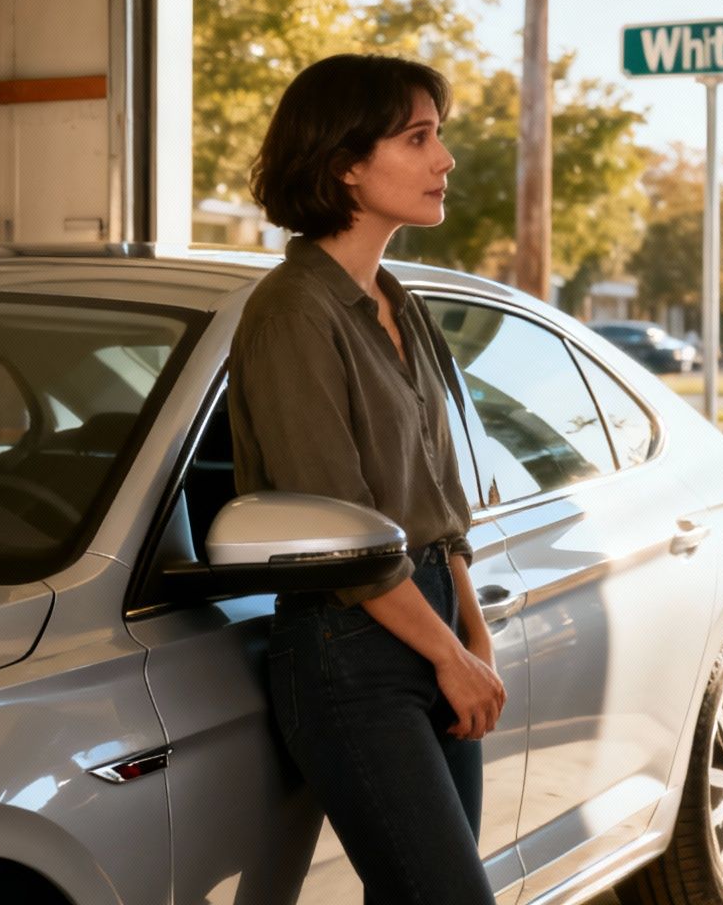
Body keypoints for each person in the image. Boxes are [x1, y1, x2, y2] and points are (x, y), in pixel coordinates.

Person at [228, 53, 505, 905]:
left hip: (428, 622)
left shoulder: (395, 298)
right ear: (347, 162)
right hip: (350, 651)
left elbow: (433, 489)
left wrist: (469, 631)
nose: (445, 159)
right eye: (419, 137)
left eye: (439, 136)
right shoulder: (292, 314)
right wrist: (446, 652)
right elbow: (336, 530)